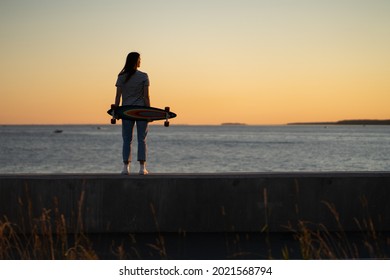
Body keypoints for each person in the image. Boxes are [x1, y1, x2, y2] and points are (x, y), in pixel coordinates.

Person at [114, 52, 150, 175]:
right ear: (135, 61)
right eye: (139, 59)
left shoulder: (121, 76)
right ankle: (142, 168)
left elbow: (118, 96)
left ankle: (125, 168)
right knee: (142, 139)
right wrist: (149, 112)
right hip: (141, 111)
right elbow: (146, 96)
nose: (141, 61)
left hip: (127, 111)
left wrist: (116, 111)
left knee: (127, 139)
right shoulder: (144, 76)